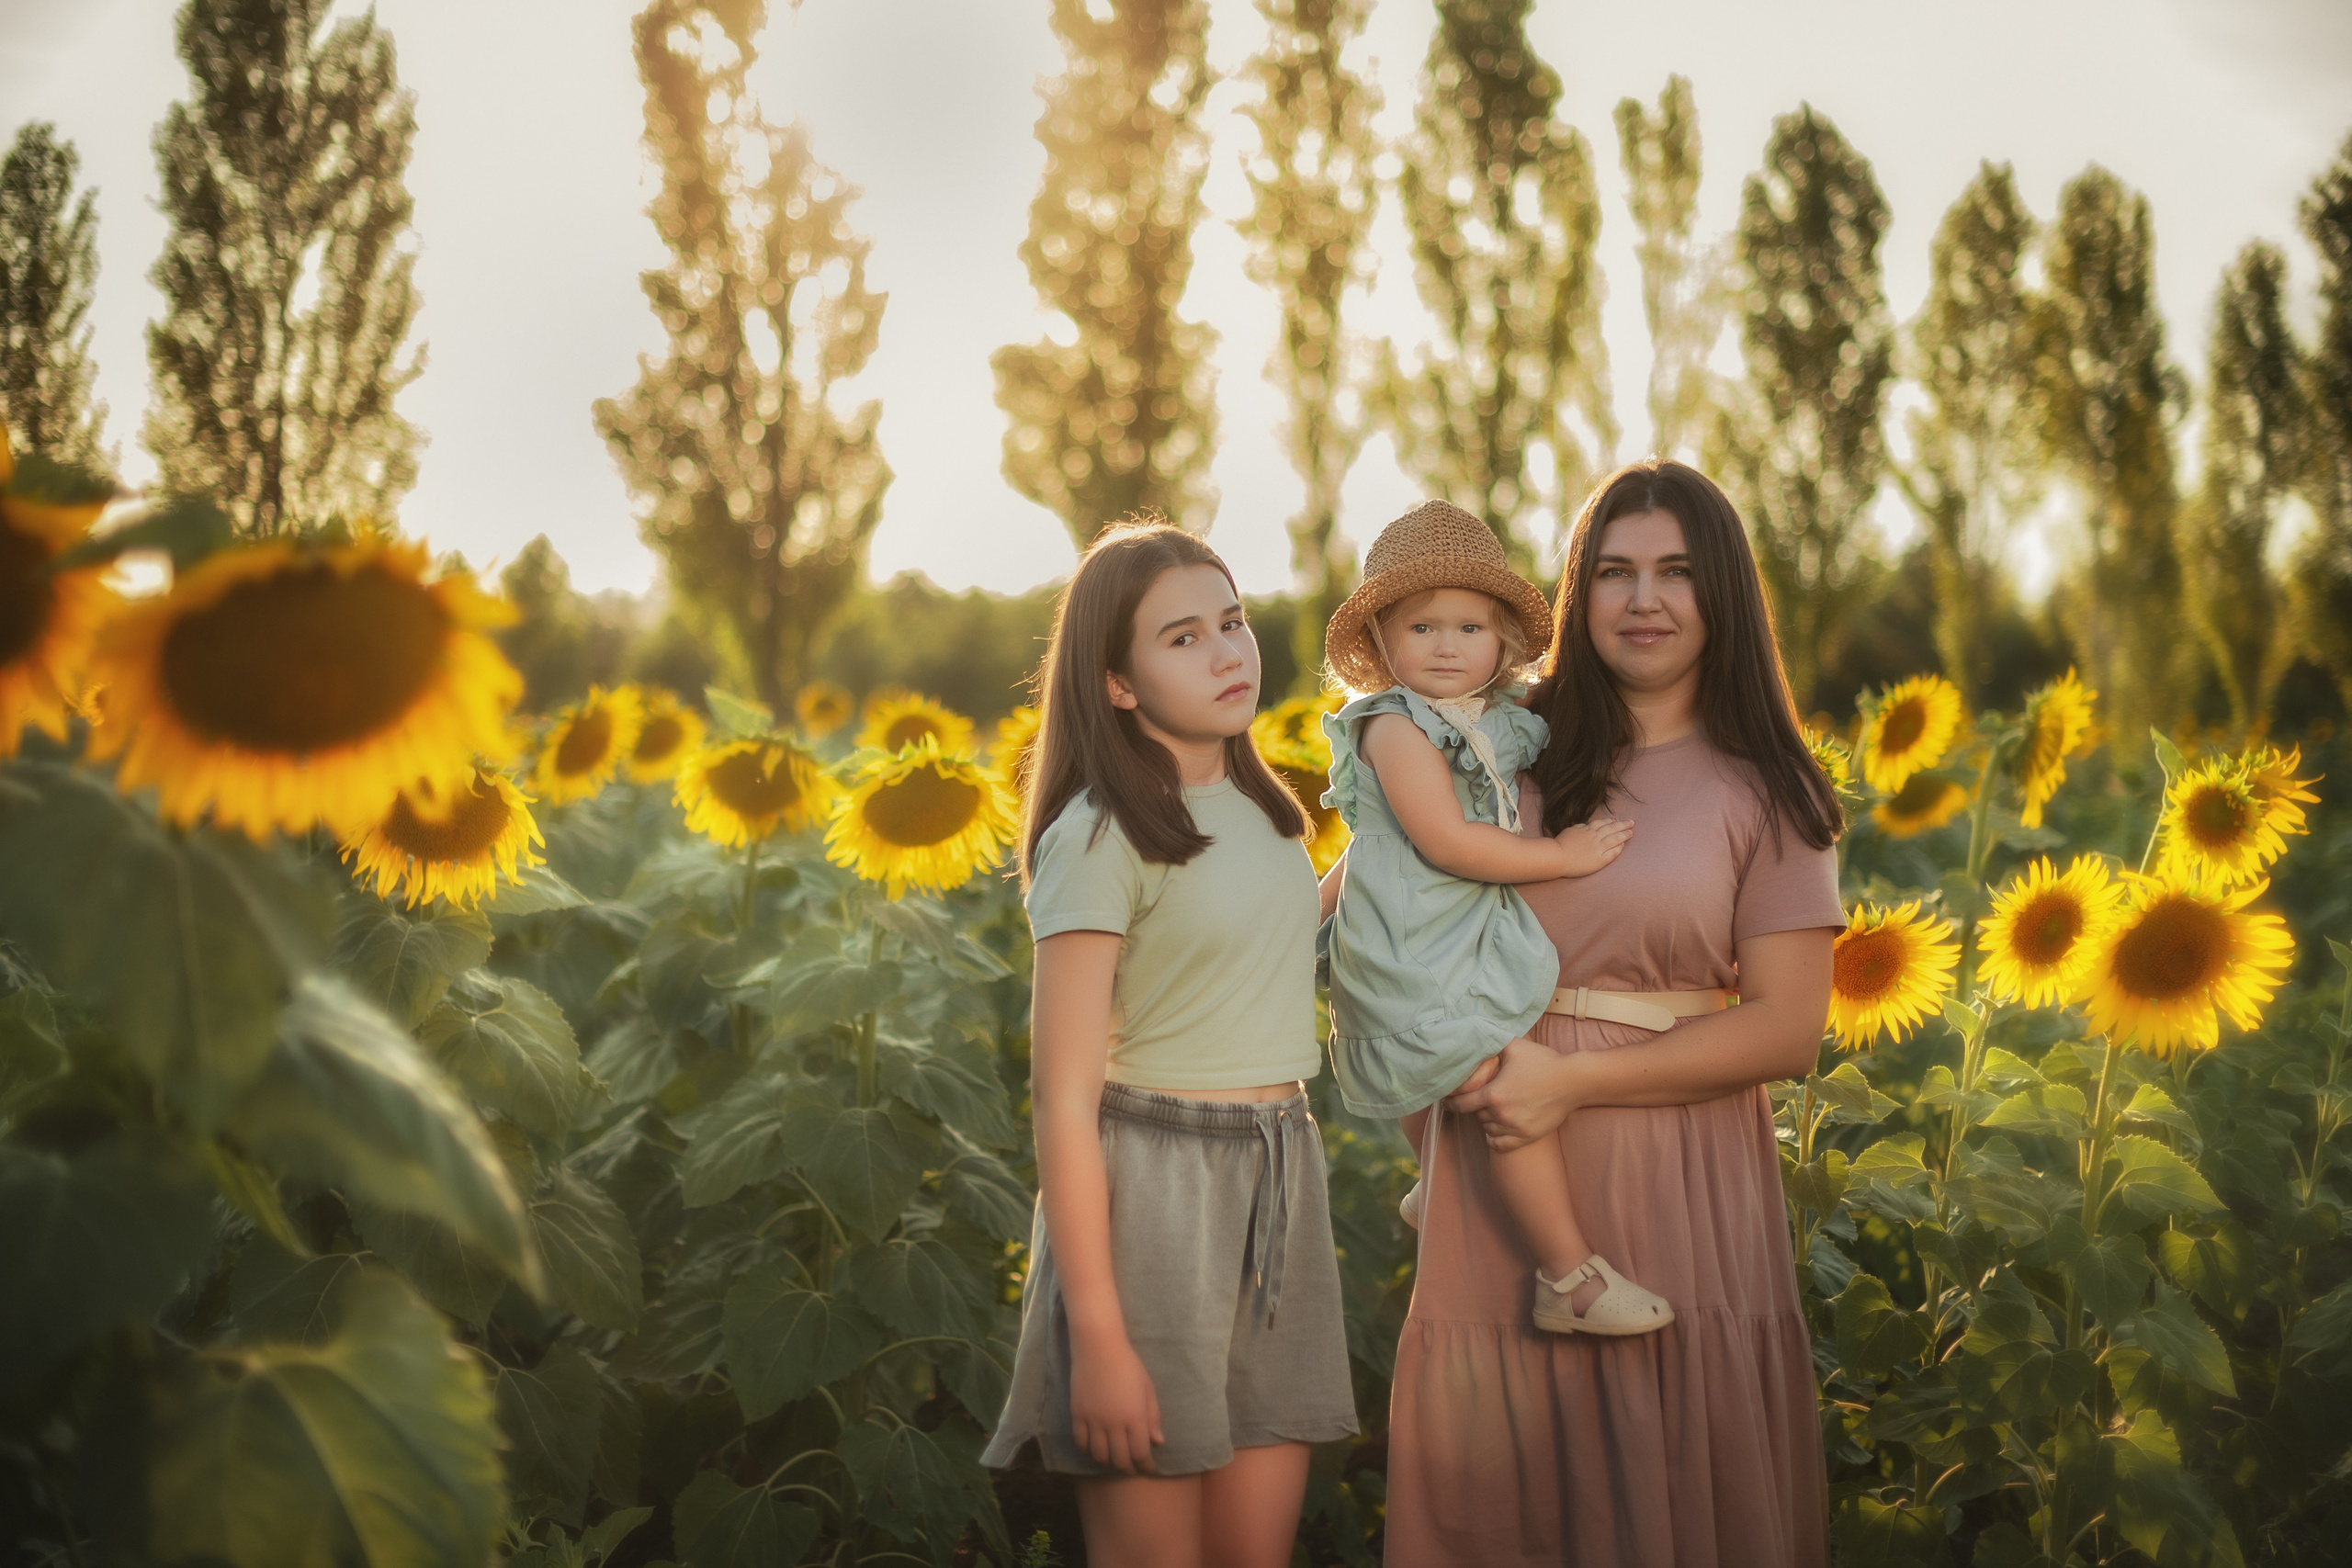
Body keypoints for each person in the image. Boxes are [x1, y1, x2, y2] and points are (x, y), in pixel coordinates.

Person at [1383, 460, 1846, 1567]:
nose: (1644, 600)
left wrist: (1571, 1080)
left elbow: (1786, 1028)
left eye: (1677, 572)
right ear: (1577, 591)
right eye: (1616, 571)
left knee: (1666, 1465)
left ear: (1721, 594)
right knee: (1507, 1487)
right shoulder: (1490, 750)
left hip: (1680, 1164)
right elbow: (1383, 898)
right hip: (1499, 1159)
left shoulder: (1770, 787)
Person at [981, 520, 1358, 1568]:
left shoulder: (1259, 809)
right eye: (1182, 638)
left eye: (1231, 622)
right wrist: (1098, 1340)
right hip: (1149, 1191)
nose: (1228, 651)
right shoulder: (1097, 833)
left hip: (1278, 1173)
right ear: (1117, 685)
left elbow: (1261, 944)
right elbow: (1062, 1097)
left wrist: (1390, 847)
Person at [1318, 500, 1671, 1336]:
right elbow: (1446, 841)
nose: (1448, 645)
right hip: (1408, 949)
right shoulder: (1395, 730)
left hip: (1440, 938)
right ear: (1380, 648)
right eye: (1423, 627)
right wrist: (1565, 856)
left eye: (1470, 627)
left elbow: (1362, 847)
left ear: (1501, 641)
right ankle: (1567, 1279)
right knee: (1500, 1088)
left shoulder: (1491, 718)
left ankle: (1433, 1180)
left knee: (1462, 1075)